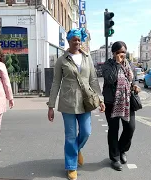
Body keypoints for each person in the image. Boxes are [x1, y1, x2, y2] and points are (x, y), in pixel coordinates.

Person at [47, 28, 105, 180]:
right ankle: (71, 167)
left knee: (86, 132)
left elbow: (93, 80)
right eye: (74, 40)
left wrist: (100, 99)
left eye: (79, 40)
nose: (77, 42)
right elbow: (55, 83)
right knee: (71, 135)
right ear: (69, 41)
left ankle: (76, 150)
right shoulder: (62, 60)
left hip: (86, 101)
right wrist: (51, 106)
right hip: (68, 102)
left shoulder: (87, 58)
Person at [102, 41, 140, 171]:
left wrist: (135, 85)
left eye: (123, 52)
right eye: (118, 52)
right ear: (113, 53)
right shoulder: (108, 65)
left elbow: (132, 79)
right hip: (111, 102)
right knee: (113, 130)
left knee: (130, 128)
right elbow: (110, 79)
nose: (122, 55)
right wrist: (117, 64)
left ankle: (122, 149)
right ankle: (115, 158)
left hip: (127, 101)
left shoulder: (129, 65)